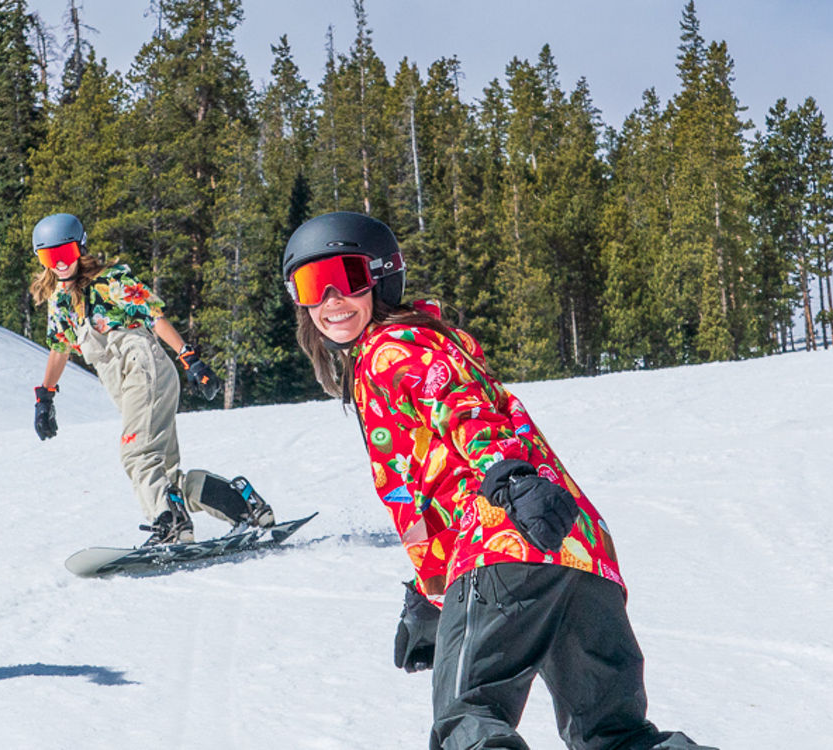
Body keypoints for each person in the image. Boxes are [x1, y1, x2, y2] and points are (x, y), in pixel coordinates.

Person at [281, 211, 712, 750]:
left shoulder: (390, 350)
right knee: (615, 735)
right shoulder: (430, 341)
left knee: (469, 722)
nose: (329, 301)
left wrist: (508, 476)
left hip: (502, 539)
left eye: (343, 279)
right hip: (577, 549)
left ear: (381, 274)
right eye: (309, 286)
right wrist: (432, 592)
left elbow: (462, 411)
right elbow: (430, 483)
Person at [27, 213, 272, 547]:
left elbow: (153, 317)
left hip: (144, 367)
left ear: (80, 248)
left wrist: (191, 359)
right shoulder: (60, 300)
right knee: (165, 476)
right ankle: (243, 505)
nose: (58, 264)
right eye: (48, 257)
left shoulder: (109, 281)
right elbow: (60, 348)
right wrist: (46, 397)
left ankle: (170, 525)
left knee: (137, 457)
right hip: (126, 384)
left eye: (65, 253)